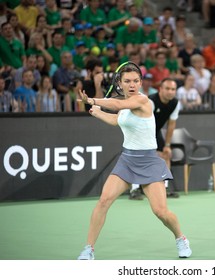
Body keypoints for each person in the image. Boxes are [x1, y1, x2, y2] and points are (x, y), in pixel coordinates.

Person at [77, 63, 192, 260]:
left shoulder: (143, 101)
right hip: (127, 161)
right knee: (104, 201)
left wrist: (93, 100)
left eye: (136, 81)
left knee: (160, 212)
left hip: (149, 161)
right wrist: (97, 112)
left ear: (140, 83)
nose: (132, 85)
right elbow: (117, 119)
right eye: (127, 81)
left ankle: (181, 238)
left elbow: (118, 105)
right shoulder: (125, 105)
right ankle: (89, 249)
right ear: (120, 84)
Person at [130, 77, 181, 200]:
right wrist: (152, 148)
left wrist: (167, 145)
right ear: (160, 89)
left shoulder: (175, 103)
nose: (170, 92)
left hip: (155, 131)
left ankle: (164, 187)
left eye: (173, 89)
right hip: (140, 130)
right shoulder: (151, 102)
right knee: (140, 157)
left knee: (166, 154)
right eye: (167, 88)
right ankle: (135, 189)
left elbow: (171, 125)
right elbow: (143, 123)